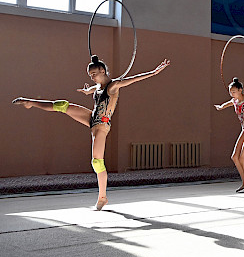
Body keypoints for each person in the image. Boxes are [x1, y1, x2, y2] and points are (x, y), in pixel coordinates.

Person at [13, 55, 170, 210]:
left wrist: (153, 72)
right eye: (90, 75)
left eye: (94, 74)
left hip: (101, 125)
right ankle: (31, 102)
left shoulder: (113, 86)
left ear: (102, 70)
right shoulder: (99, 86)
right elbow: (94, 89)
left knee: (97, 162)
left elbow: (133, 79)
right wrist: (88, 90)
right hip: (92, 118)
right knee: (63, 105)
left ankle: (103, 197)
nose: (92, 77)